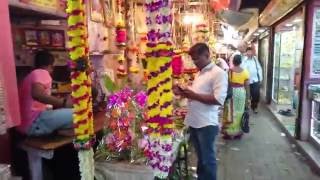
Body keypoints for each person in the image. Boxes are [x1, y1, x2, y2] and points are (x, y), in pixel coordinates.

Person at [173, 43, 228, 180]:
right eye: (193, 59)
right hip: (195, 122)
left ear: (207, 55)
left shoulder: (218, 73)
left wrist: (193, 95)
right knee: (201, 159)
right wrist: (183, 92)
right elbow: (197, 94)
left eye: (197, 59)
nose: (195, 62)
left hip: (206, 124)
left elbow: (218, 99)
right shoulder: (200, 73)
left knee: (208, 160)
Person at [17, 50, 73, 136]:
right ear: (51, 65)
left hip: (24, 125)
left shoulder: (31, 75)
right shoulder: (41, 72)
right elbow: (37, 94)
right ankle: (61, 133)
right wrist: (64, 103)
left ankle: (60, 132)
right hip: (34, 122)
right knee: (81, 113)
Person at [222, 54, 250, 139]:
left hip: (231, 93)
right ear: (241, 62)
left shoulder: (229, 71)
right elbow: (247, 86)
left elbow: (225, 84)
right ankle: (238, 132)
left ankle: (228, 132)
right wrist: (248, 98)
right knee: (239, 111)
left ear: (233, 62)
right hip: (241, 92)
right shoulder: (245, 72)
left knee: (229, 111)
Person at [241, 47, 263, 113]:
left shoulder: (255, 59)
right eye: (248, 52)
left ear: (252, 52)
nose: (249, 53)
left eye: (251, 52)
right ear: (246, 52)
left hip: (255, 80)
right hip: (246, 80)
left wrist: (261, 78)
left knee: (256, 95)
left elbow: (259, 68)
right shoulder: (244, 60)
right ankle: (246, 108)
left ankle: (254, 107)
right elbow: (241, 69)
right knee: (247, 95)